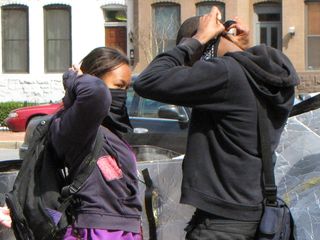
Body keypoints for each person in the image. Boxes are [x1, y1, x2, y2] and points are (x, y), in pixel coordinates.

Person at [134, 7, 299, 240]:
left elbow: (148, 81)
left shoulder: (224, 73)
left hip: (221, 222)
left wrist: (196, 40)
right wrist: (240, 48)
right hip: (256, 212)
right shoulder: (271, 77)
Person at [0, 47, 142, 239]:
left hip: (122, 229)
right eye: (118, 86)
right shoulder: (76, 126)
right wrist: (74, 78)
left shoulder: (108, 129)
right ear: (91, 78)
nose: (122, 94)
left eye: (126, 88)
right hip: (96, 231)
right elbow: (96, 95)